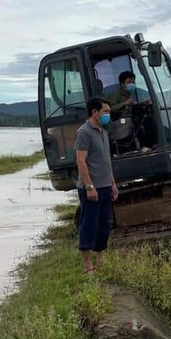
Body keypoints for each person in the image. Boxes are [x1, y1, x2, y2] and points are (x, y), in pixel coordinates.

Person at [75, 98, 119, 274]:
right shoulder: (84, 132)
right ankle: (88, 265)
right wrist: (89, 187)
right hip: (92, 188)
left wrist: (112, 183)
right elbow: (81, 161)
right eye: (105, 111)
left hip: (105, 186)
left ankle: (100, 259)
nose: (108, 114)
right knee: (89, 225)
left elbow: (106, 161)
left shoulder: (103, 132)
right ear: (94, 112)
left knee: (104, 224)